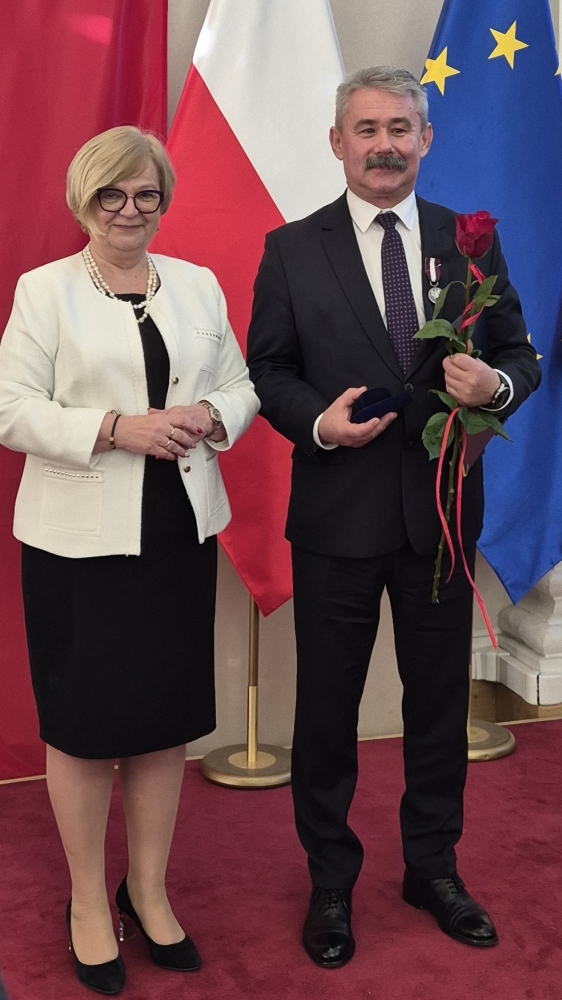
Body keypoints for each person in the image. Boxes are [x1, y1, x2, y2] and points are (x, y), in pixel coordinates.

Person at [247, 66, 540, 968]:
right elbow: (269, 370)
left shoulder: (470, 240)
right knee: (327, 712)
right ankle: (331, 882)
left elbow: (520, 355)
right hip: (336, 517)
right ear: (338, 142)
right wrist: (319, 424)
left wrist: (494, 385)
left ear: (425, 139)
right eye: (367, 129)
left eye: (400, 129)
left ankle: (433, 869)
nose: (385, 145)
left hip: (441, 520)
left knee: (439, 706)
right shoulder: (290, 249)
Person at [0, 126, 259, 995]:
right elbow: (9, 408)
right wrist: (117, 428)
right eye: (111, 195)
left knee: (162, 720)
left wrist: (210, 418)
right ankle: (86, 901)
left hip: (177, 534)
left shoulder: (196, 283)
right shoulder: (45, 291)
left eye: (146, 194)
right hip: (78, 546)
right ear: (84, 199)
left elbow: (241, 385)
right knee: (83, 726)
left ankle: (147, 890)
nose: (129, 210)